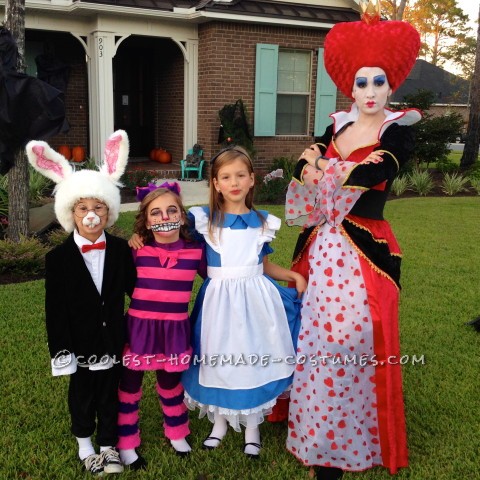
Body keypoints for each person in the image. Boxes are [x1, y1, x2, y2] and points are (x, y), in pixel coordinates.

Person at [284, 6, 422, 480]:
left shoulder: (396, 131)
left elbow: (375, 172)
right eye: (361, 82)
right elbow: (301, 165)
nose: (368, 91)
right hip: (322, 247)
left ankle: (356, 438)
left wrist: (323, 168)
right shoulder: (336, 125)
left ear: (391, 85)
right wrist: (316, 167)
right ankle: (320, 441)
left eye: (377, 82)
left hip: (364, 254)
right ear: (351, 87)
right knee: (318, 339)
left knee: (354, 341)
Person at [180, 145, 307, 458]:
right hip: (218, 304)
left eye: (240, 175)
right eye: (226, 176)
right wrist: (141, 237)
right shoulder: (203, 220)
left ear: (252, 180)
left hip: (256, 301)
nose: (234, 182)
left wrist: (293, 276)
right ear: (215, 183)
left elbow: (261, 264)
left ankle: (252, 426)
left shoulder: (262, 223)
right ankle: (219, 424)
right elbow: (172, 243)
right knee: (218, 358)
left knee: (252, 359)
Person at [26, 131, 137, 476]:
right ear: (71, 213)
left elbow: (136, 290)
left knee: (110, 394)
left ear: (109, 211)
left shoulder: (120, 250)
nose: (91, 215)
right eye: (83, 208)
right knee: (83, 395)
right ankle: (85, 446)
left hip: (112, 339)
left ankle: (108, 446)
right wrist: (61, 351)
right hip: (79, 343)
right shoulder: (58, 259)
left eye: (98, 207)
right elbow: (55, 311)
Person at [117, 183, 206, 469]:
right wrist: (134, 239)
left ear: (182, 215)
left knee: (170, 384)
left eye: (171, 210)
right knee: (129, 386)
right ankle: (127, 441)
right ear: (145, 220)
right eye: (155, 212)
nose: (164, 216)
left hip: (174, 331)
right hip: (139, 329)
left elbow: (221, 279)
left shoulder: (195, 251)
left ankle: (177, 432)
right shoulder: (136, 251)